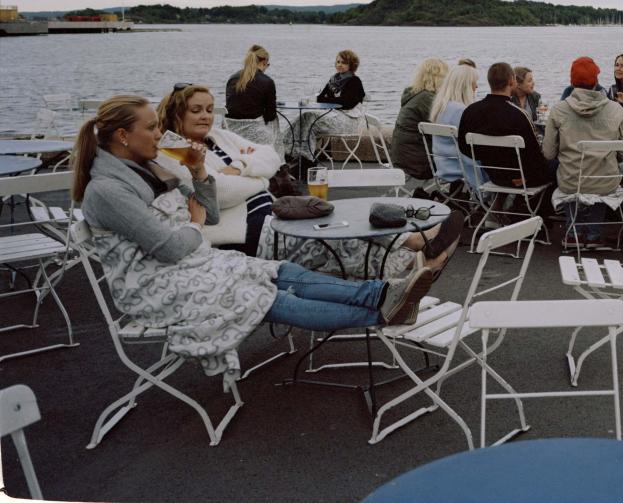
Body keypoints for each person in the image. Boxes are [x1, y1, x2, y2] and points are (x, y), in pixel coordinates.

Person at [71, 96, 454, 381]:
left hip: (190, 264)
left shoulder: (145, 168)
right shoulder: (109, 190)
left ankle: (381, 293)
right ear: (123, 136)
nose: (158, 134)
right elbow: (174, 245)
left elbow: (210, 214)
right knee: (268, 296)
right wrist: (194, 223)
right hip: (157, 286)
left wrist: (201, 172)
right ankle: (385, 309)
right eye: (151, 127)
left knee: (279, 271)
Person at [156, 84, 281, 255]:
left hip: (270, 212)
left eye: (209, 110)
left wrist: (239, 166)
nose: (205, 116)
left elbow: (271, 155)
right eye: (196, 110)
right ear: (176, 113)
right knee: (315, 244)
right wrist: (261, 178)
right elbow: (221, 193)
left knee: (321, 228)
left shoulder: (218, 136)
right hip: (242, 232)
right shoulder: (172, 151)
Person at [543, 57, 623, 248]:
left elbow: (549, 153)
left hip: (571, 179)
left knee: (571, 172)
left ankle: (573, 232)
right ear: (596, 81)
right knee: (600, 175)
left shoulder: (559, 110)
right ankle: (593, 234)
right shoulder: (616, 110)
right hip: (605, 180)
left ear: (571, 81)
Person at [457, 62, 553, 188]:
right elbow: (534, 156)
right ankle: (543, 206)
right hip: (523, 178)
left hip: (494, 175)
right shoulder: (519, 115)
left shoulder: (471, 111)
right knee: (558, 164)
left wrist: (489, 159)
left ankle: (506, 203)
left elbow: (464, 147)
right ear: (511, 81)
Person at [427, 63, 489, 193]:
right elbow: (472, 147)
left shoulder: (441, 107)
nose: (476, 86)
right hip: (461, 168)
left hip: (444, 165)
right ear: (465, 85)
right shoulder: (460, 111)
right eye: (474, 83)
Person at [297, 50, 367, 161]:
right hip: (335, 116)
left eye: (343, 62)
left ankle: (305, 159)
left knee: (309, 121)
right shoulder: (334, 80)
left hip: (350, 122)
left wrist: (330, 100)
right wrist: (334, 100)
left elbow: (346, 104)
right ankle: (297, 155)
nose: (339, 64)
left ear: (351, 65)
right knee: (304, 119)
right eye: (338, 62)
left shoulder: (355, 81)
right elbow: (320, 98)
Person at [224, 45, 288, 160]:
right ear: (264, 61)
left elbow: (231, 107)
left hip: (231, 132)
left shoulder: (232, 78)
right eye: (267, 65)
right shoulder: (267, 81)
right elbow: (270, 115)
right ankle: (279, 163)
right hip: (257, 134)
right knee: (275, 121)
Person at [390, 58, 449, 180]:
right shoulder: (427, 99)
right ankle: (457, 194)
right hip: (418, 164)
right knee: (463, 161)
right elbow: (442, 132)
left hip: (400, 157)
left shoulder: (414, 94)